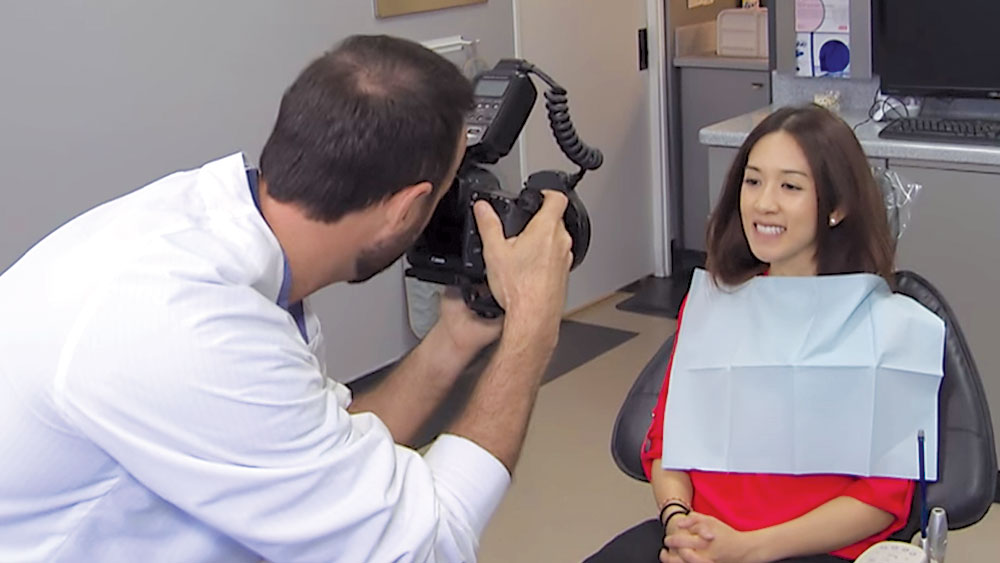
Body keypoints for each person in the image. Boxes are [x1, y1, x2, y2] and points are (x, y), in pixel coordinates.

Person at [0, 35, 574, 562]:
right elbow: (427, 546)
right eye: (448, 192)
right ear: (405, 208)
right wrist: (532, 327)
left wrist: (450, 342)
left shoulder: (214, 231)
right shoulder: (186, 326)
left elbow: (320, 446)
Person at [588, 105, 919, 563]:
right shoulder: (715, 306)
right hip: (701, 540)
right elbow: (668, 444)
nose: (764, 203)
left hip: (814, 552)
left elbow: (883, 500)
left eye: (790, 186)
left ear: (838, 207)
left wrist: (748, 549)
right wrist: (677, 520)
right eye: (753, 180)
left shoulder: (885, 326)